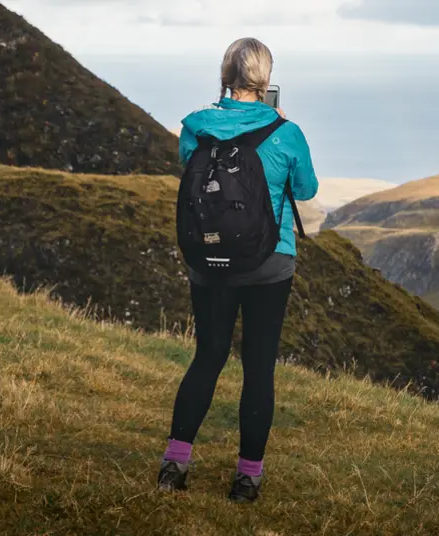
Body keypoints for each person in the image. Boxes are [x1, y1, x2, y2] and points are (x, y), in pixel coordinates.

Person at [157, 37, 318, 504]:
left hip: (209, 262)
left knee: (207, 358)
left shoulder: (196, 127)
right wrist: (279, 133)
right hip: (269, 264)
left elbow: (194, 172)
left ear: (225, 75)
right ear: (265, 81)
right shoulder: (285, 132)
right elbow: (305, 189)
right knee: (258, 367)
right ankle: (246, 479)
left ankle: (175, 464)